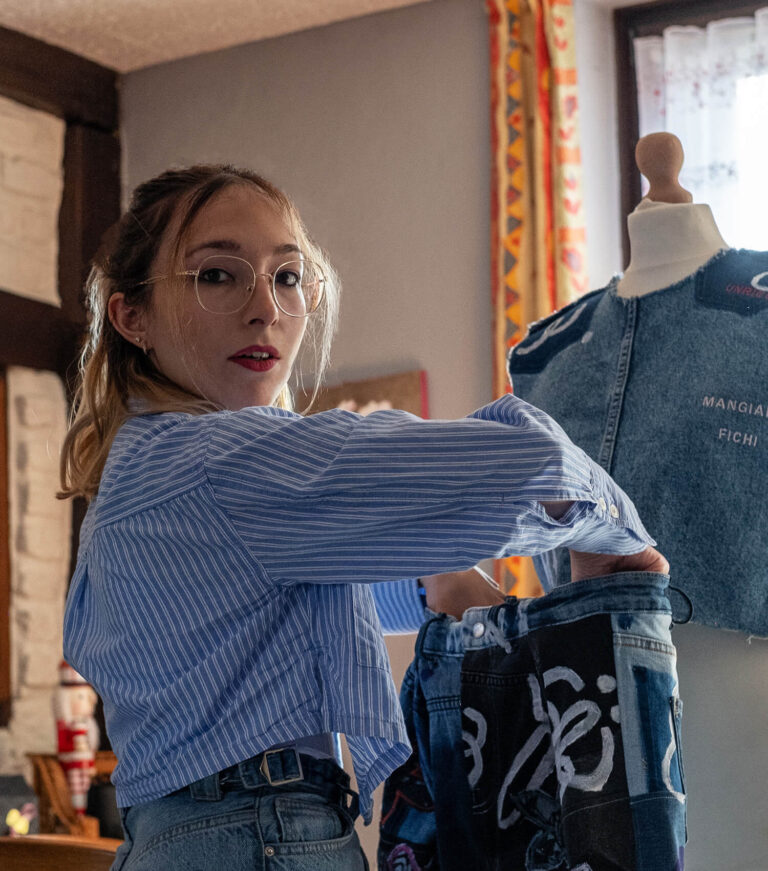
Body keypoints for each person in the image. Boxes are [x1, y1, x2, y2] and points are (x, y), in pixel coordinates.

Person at [60, 164, 667, 870]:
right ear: (131, 316)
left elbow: (281, 615)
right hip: (259, 834)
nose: (265, 308)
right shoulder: (217, 459)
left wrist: (432, 579)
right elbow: (524, 463)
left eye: (288, 277)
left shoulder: (140, 471)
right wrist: (616, 536)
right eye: (218, 275)